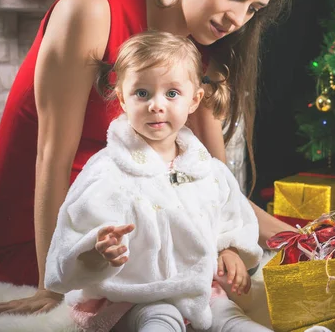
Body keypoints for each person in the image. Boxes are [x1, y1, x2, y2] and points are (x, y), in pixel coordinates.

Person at [0, 0, 300, 319]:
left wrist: (304, 240)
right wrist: (50, 283)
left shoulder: (202, 54)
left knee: (215, 278)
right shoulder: (92, 12)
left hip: (134, 218)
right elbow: (51, 157)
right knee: (183, 283)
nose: (238, 19)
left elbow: (213, 183)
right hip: (45, 230)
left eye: (253, 9)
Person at [45, 31, 271, 332]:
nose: (156, 105)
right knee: (159, 316)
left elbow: (230, 221)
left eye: (172, 93)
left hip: (197, 289)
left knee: (229, 317)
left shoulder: (208, 171)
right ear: (123, 99)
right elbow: (74, 230)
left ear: (194, 100)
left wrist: (229, 251)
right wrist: (98, 249)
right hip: (135, 295)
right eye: (142, 93)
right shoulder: (107, 172)